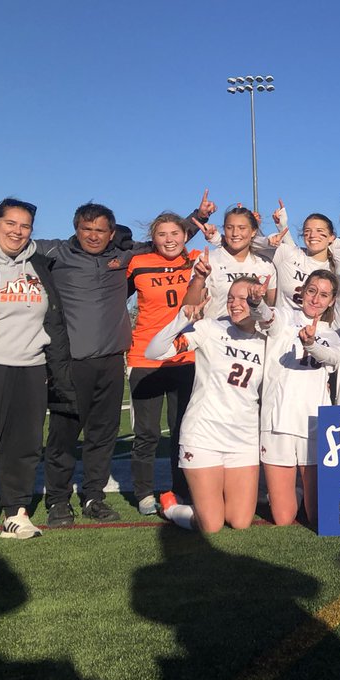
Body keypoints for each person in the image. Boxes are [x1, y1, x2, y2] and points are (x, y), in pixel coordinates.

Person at [33, 192, 213, 526]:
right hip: (73, 360)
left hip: (114, 359)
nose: (93, 235)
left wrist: (195, 217)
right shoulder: (57, 251)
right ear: (76, 228)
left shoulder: (125, 255)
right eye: (87, 229)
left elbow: (170, 236)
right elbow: (13, 239)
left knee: (103, 435)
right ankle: (58, 500)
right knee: (65, 433)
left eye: (101, 230)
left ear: (112, 233)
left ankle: (93, 497)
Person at [0, 198, 76, 547]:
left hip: (31, 366)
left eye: (25, 225)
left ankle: (16, 513)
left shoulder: (39, 263)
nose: (17, 231)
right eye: (10, 224)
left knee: (25, 444)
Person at [147, 278, 266, 533]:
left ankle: (210, 502)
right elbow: (153, 352)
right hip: (203, 434)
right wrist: (182, 319)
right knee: (210, 526)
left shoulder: (268, 339)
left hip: (243, 438)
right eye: (231, 298)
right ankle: (170, 507)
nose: (235, 304)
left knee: (240, 521)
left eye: (243, 298)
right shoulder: (210, 328)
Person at [126, 213, 201, 515]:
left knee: (182, 430)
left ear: (185, 235)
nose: (169, 239)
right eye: (162, 234)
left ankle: (180, 489)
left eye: (175, 233)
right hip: (145, 356)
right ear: (153, 238)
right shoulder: (138, 263)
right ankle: (144, 493)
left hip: (186, 356)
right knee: (146, 433)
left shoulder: (199, 259)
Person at [257, 270, 340, 527]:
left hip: (313, 423)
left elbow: (332, 359)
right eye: (312, 291)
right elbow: (267, 318)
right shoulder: (284, 317)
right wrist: (256, 303)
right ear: (303, 291)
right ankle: (290, 494)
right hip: (277, 422)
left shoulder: (336, 335)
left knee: (317, 517)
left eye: (324, 294)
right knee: (284, 519)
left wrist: (311, 344)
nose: (316, 299)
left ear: (332, 300)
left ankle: (303, 493)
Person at [187, 204, 276, 319]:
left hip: (255, 335)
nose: (235, 233)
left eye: (242, 228)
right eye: (229, 228)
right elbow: (189, 308)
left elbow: (272, 307)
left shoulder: (266, 264)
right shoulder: (208, 259)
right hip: (217, 332)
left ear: (253, 231)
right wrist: (199, 279)